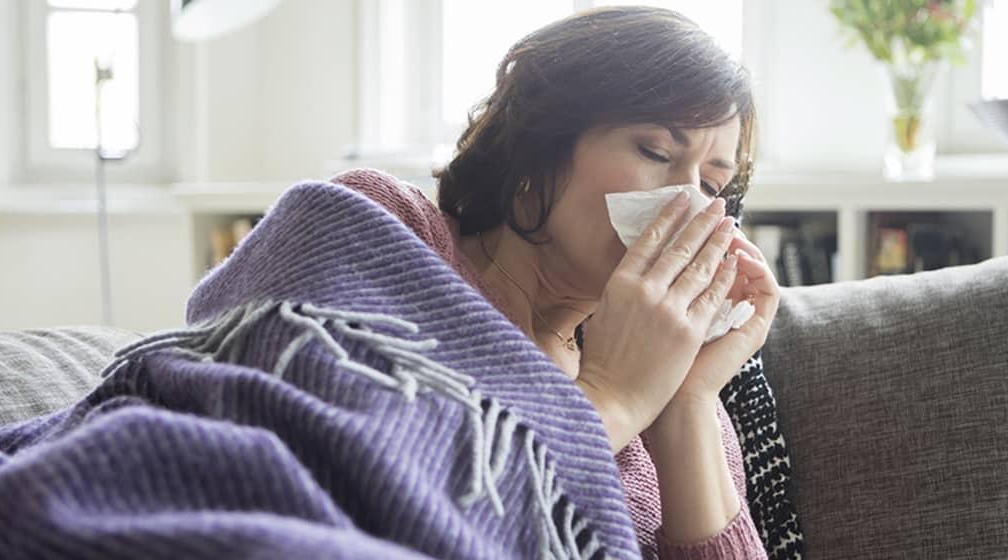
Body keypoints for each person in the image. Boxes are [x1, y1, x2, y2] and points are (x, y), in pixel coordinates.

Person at [331, 5, 780, 558]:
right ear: (538, 149)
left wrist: (684, 403)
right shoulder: (384, 227)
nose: (690, 206)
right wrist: (613, 397)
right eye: (656, 152)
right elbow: (363, 502)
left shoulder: (683, 393)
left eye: (713, 185)